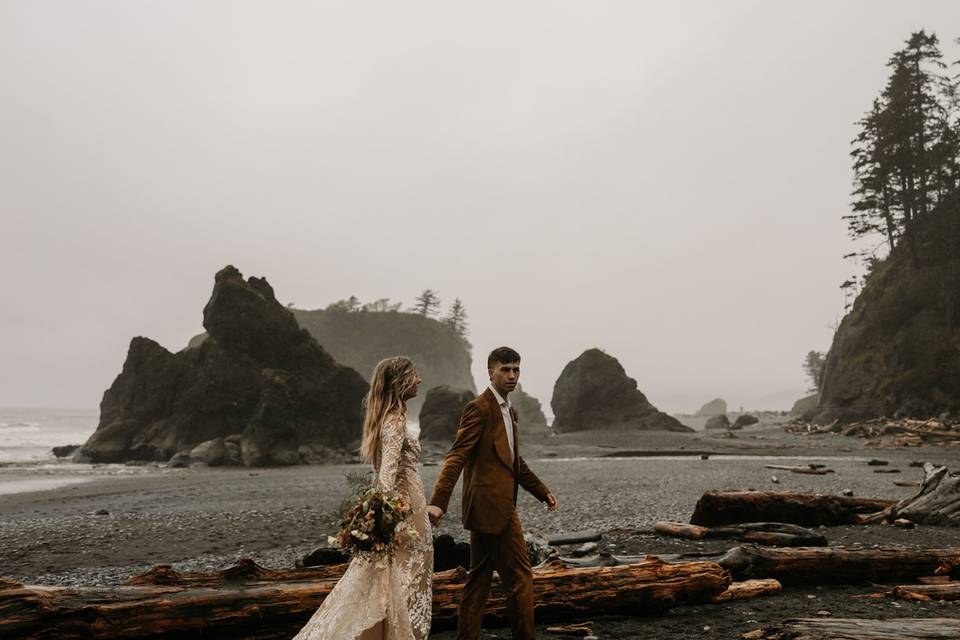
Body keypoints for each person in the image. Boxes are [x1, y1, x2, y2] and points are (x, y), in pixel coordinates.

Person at [294, 356, 432, 640]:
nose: (419, 380)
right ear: (399, 382)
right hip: (406, 511)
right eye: (414, 374)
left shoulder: (391, 418)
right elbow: (387, 472)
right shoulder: (394, 421)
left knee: (395, 576)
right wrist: (381, 516)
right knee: (402, 576)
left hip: (408, 507)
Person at [427, 346, 558, 640]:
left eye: (516, 370)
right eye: (505, 370)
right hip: (492, 508)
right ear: (491, 372)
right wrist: (438, 502)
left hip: (489, 507)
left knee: (479, 580)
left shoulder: (509, 410)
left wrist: (541, 491)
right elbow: (457, 455)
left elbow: (513, 460)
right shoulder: (479, 408)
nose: (512, 376)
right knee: (521, 578)